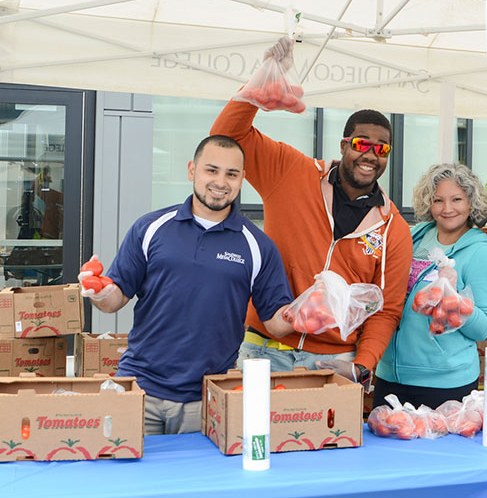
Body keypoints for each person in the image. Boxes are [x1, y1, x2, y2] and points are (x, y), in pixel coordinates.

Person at [211, 37, 412, 385]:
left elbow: (388, 310)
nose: (371, 155)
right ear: (344, 145)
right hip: (264, 350)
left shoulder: (393, 227)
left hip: (333, 362)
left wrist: (361, 366)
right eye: (362, 144)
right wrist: (260, 81)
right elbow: (226, 139)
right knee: (251, 439)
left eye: (382, 149)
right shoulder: (293, 172)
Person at [78, 135, 294, 435]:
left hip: (206, 397)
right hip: (140, 387)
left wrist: (304, 313)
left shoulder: (257, 245)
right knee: (124, 479)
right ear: (192, 170)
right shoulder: (151, 227)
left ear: (242, 179)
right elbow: (114, 299)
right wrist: (98, 291)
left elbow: (276, 323)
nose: (220, 181)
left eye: (231, 174)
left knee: (197, 482)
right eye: (211, 170)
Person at [374, 163, 487, 409]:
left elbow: (484, 328)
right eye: (438, 200)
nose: (447, 209)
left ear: (471, 203)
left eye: (457, 199)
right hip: (390, 376)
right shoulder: (415, 237)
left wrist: (456, 301)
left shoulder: (481, 252)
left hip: (445, 384)